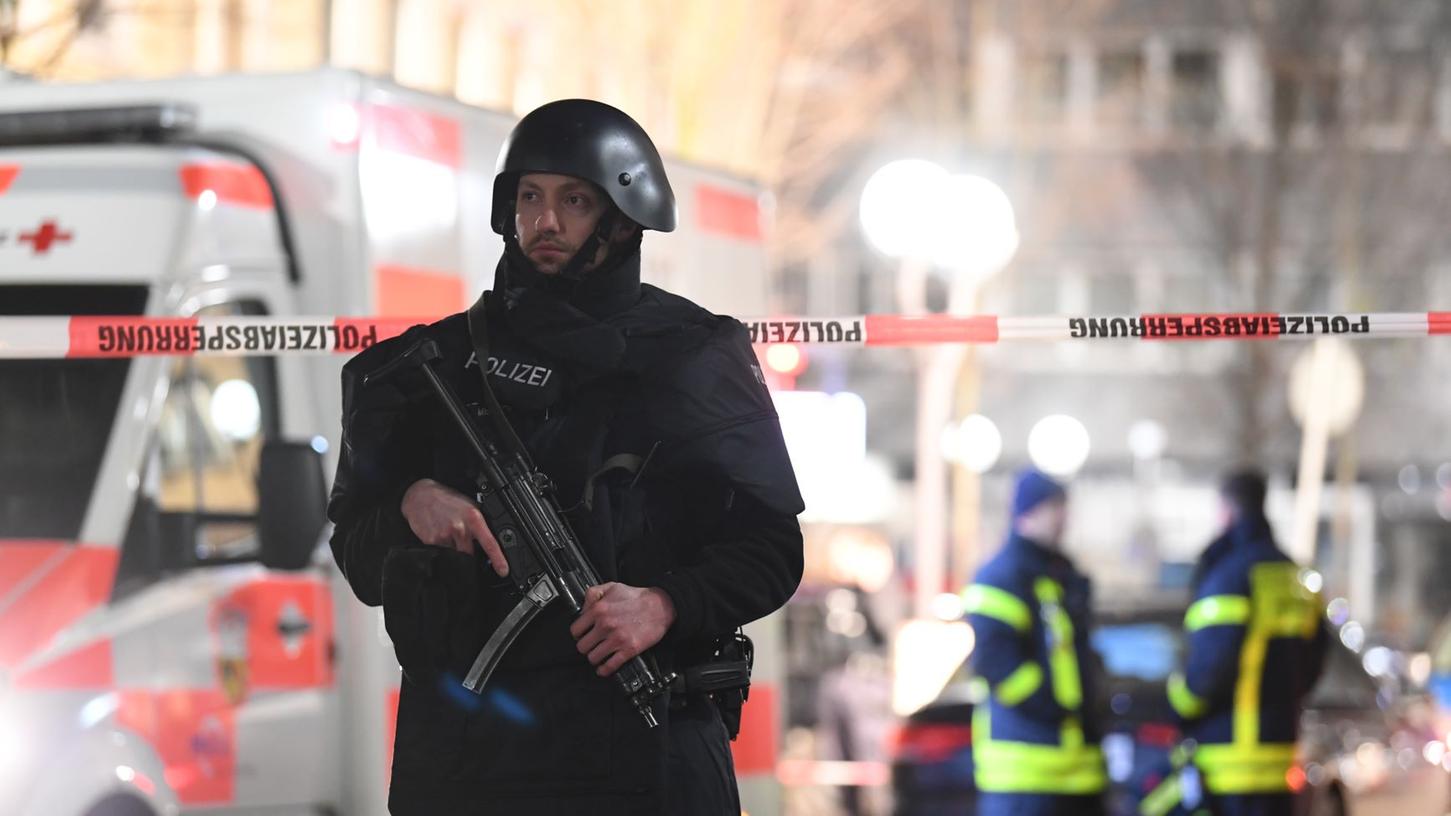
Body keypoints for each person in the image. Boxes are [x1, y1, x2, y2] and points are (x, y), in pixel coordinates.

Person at [326, 99, 805, 815]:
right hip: (468, 768)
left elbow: (772, 550)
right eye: (529, 198)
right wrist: (408, 505)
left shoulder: (693, 357)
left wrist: (665, 604)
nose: (544, 222)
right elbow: (359, 560)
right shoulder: (428, 369)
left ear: (621, 215)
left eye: (573, 201)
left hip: (645, 757)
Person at [1162, 470, 1328, 816]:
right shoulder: (1295, 577)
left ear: (1224, 510)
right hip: (1281, 754)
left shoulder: (1229, 576)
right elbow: (1315, 662)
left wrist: (1178, 707)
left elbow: (1210, 670)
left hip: (1229, 760)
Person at [961, 468, 1107, 816]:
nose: (1065, 519)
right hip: (1024, 773)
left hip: (1077, 771)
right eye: (1056, 507)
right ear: (1030, 512)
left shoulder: (1059, 575)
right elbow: (994, 662)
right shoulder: (1001, 576)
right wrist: (1051, 708)